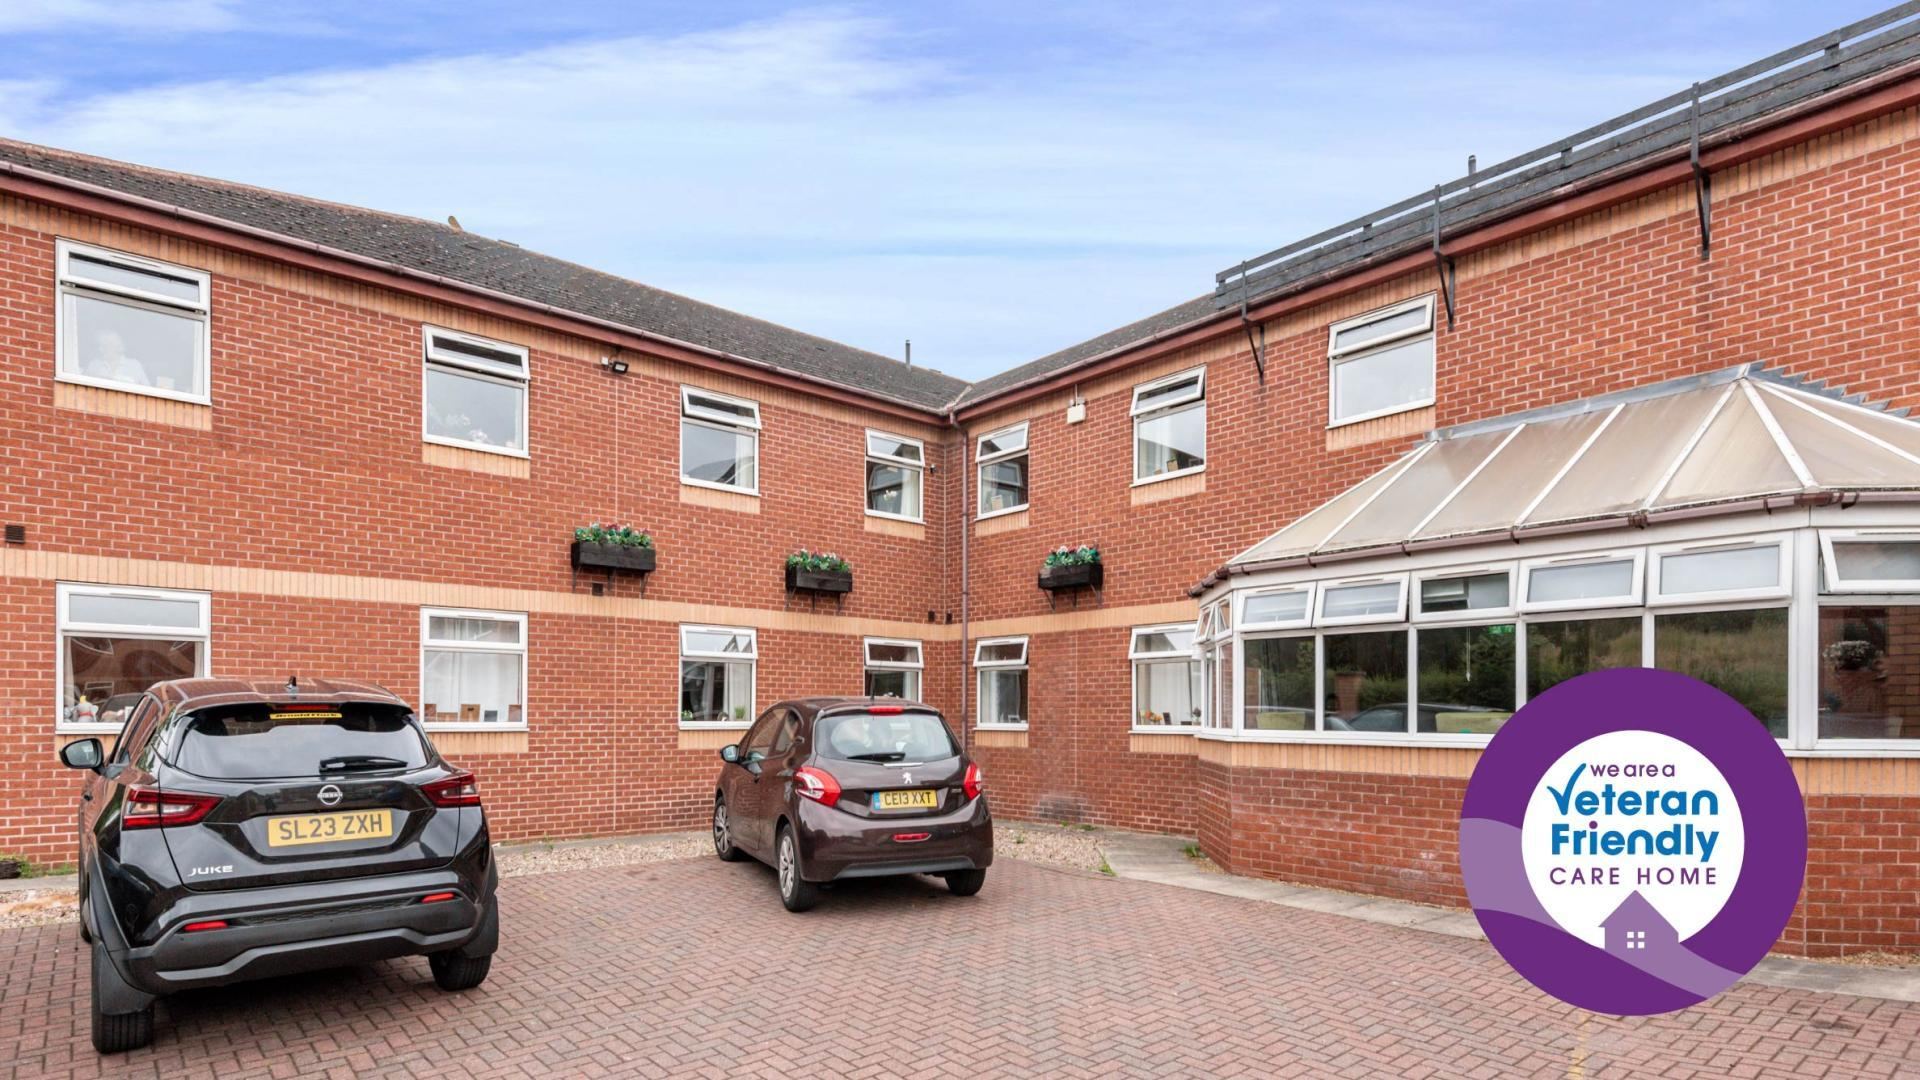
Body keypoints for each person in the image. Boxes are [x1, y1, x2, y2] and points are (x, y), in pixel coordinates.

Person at [81, 329, 151, 387]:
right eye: (100, 345)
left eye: (105, 345)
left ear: (119, 347)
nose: (101, 349)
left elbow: (147, 389)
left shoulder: (134, 365)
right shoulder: (94, 365)